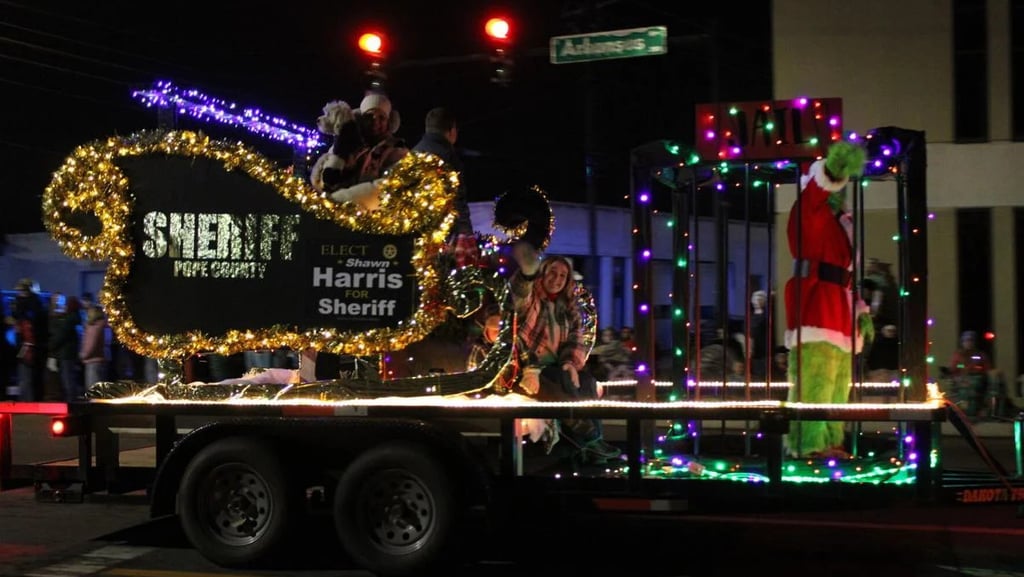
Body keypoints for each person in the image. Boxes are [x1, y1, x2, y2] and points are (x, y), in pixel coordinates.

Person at [784, 141, 873, 458]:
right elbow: (817, 192)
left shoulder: (839, 223)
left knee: (838, 386)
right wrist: (832, 170)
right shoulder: (809, 210)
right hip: (817, 309)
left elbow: (846, 275)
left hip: (839, 312)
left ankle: (831, 441)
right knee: (815, 382)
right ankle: (807, 444)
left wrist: (859, 311)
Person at [510, 242, 620, 463]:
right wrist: (527, 273)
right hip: (530, 368)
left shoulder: (568, 307)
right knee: (563, 381)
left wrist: (571, 362)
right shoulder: (532, 299)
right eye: (552, 272)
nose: (557, 279)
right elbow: (519, 295)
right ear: (543, 274)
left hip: (557, 365)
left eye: (562, 275)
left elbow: (575, 339)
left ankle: (593, 444)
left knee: (586, 380)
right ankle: (591, 440)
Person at [412, 107, 472, 239]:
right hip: (440, 233)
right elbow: (458, 200)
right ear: (451, 131)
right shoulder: (449, 158)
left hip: (412, 230)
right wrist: (466, 234)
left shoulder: (412, 154)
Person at [7, 278, 44, 401]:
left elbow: (29, 324)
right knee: (24, 377)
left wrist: (18, 323)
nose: (19, 293)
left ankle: (28, 402)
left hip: (28, 346)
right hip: (24, 345)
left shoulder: (31, 305)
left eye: (22, 291)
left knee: (27, 377)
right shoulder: (27, 304)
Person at [948, 330, 992, 417]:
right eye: (966, 341)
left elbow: (987, 371)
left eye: (971, 340)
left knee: (974, 389)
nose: (968, 343)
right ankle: (961, 411)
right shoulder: (958, 355)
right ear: (962, 342)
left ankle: (976, 410)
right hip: (961, 381)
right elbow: (952, 370)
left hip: (976, 381)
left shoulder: (980, 355)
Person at [79, 304, 109, 390]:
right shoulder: (101, 326)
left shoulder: (93, 328)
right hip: (99, 360)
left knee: (92, 389)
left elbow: (90, 345)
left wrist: (82, 355)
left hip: (92, 361)